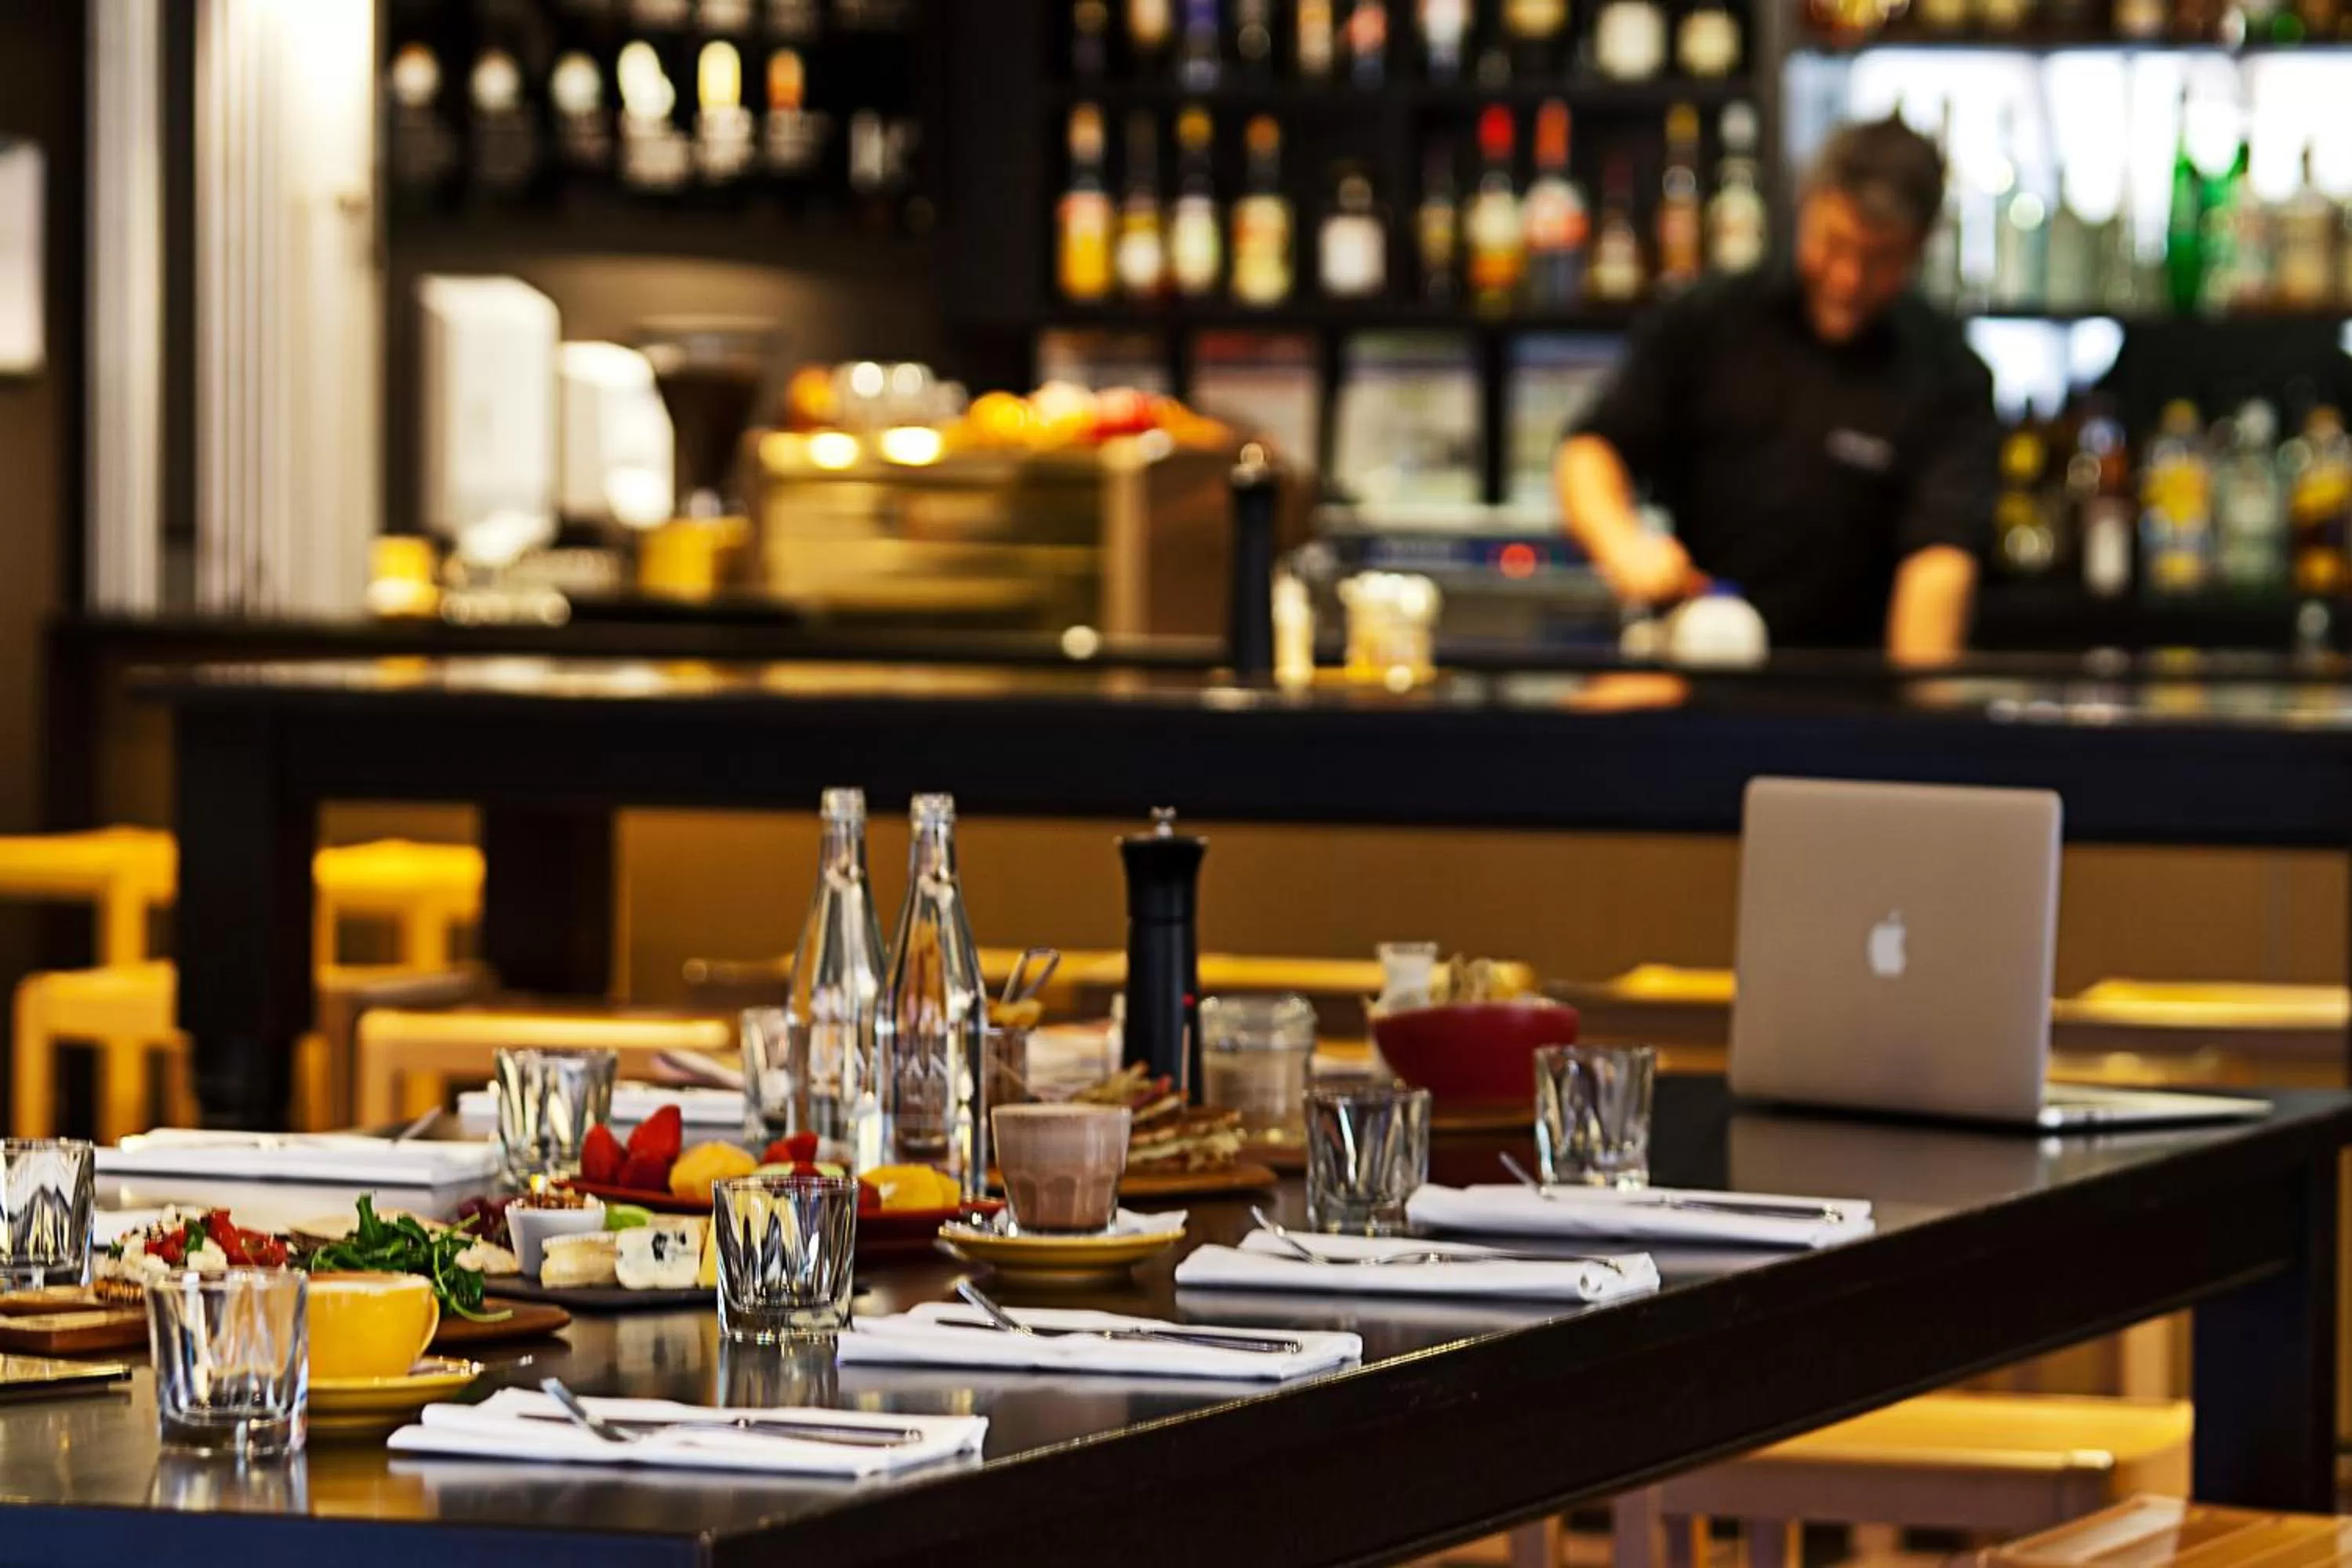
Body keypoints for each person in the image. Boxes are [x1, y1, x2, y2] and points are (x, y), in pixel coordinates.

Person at [1555, 114, 1996, 664]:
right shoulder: (1710, 318)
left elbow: (1938, 563)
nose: (1848, 279)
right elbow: (1590, 451)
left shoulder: (1948, 372)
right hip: (1696, 668)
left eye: (1881, 259)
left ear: (1920, 248)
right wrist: (1625, 545)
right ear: (1806, 204)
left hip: (1857, 695)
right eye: (1834, 244)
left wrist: (1920, 712)